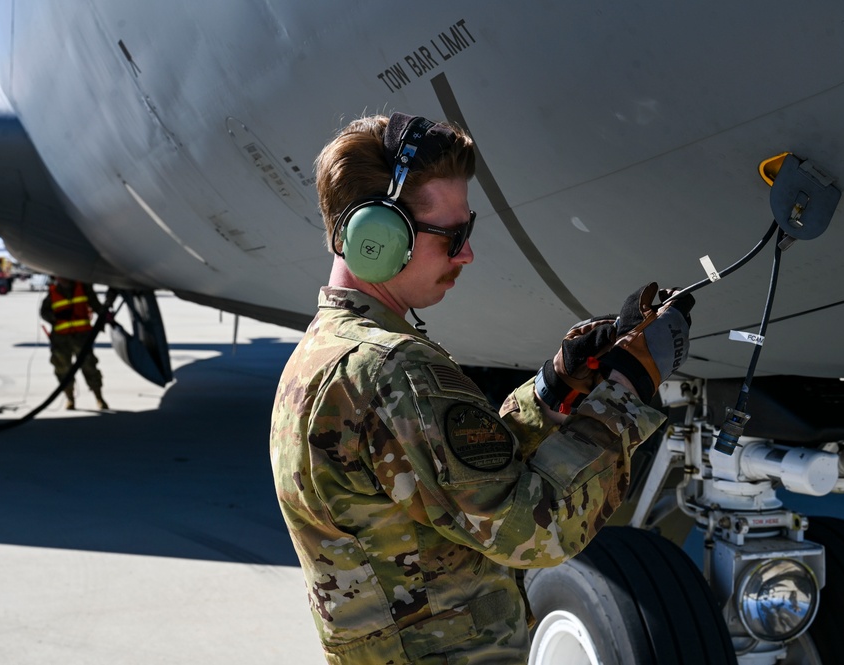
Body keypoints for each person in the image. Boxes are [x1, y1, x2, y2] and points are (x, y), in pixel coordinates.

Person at [270, 113, 694, 663]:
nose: (467, 254)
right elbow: (534, 530)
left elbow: (460, 484)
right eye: (453, 236)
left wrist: (555, 390)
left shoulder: (326, 353)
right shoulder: (392, 370)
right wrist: (627, 393)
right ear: (376, 239)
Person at [40, 276, 109, 410]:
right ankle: (70, 399)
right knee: (63, 369)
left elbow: (96, 305)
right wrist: (55, 317)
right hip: (61, 340)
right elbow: (44, 312)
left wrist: (105, 317)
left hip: (81, 338)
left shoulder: (83, 288)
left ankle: (99, 398)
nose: (61, 279)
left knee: (90, 367)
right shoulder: (53, 291)